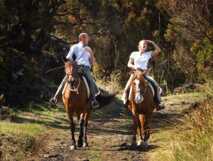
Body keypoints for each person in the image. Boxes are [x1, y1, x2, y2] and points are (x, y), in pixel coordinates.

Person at [50, 33, 100, 108]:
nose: (87, 39)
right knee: (65, 80)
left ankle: (93, 99)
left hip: (85, 68)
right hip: (75, 67)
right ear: (81, 39)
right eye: (85, 38)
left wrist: (91, 53)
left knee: (90, 80)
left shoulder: (89, 48)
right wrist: (73, 64)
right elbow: (69, 58)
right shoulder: (75, 47)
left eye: (87, 38)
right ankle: (55, 98)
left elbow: (92, 62)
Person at [122, 40, 164, 110]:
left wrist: (152, 43)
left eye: (146, 45)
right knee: (126, 89)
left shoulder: (149, 54)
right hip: (135, 73)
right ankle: (126, 103)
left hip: (144, 74)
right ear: (139, 46)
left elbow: (158, 50)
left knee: (156, 86)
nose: (145, 45)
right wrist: (135, 67)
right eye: (143, 44)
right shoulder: (134, 53)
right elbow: (129, 64)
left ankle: (158, 103)